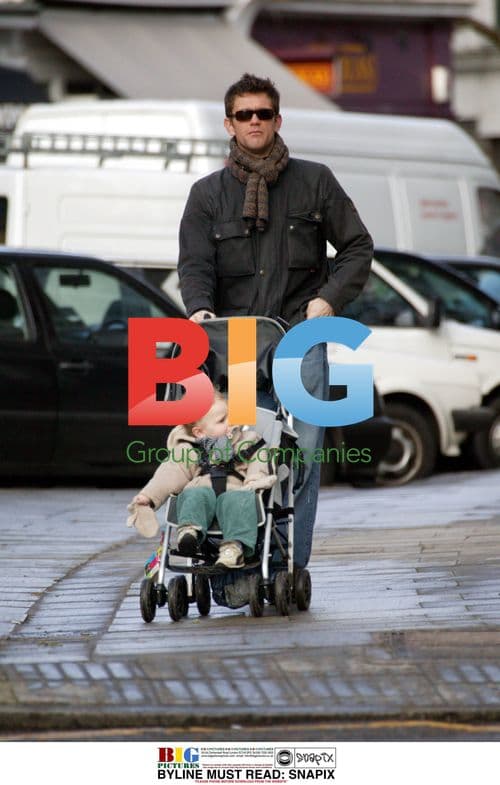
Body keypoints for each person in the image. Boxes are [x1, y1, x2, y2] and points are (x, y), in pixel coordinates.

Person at [177, 73, 374, 569]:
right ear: (230, 124)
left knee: (304, 456)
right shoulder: (207, 195)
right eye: (244, 115)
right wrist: (200, 310)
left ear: (278, 120)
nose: (255, 122)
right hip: (239, 345)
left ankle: (288, 564)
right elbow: (195, 263)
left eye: (263, 113)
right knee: (243, 454)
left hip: (303, 338)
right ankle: (245, 554)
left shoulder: (315, 181)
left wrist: (328, 300)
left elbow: (357, 247)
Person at [127, 394, 276, 570]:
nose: (231, 422)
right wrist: (148, 497)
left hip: (235, 492)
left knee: (239, 499)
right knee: (193, 494)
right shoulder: (190, 450)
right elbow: (169, 474)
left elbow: (259, 463)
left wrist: (254, 483)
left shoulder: (248, 441)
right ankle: (189, 532)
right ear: (200, 432)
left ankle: (233, 549)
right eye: (222, 420)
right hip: (202, 493)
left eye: (231, 415)